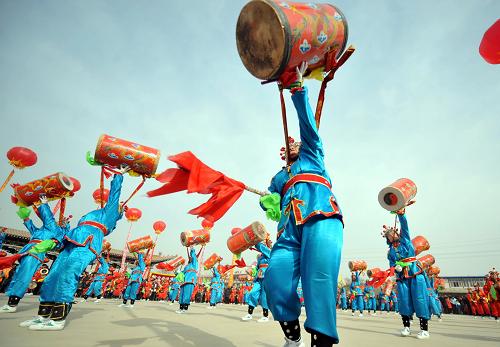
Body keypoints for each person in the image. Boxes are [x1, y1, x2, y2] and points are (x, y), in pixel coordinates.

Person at [261, 62, 343, 347]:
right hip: (287, 231)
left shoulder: (313, 154)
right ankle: (292, 336)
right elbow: (270, 203)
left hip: (320, 214)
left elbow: (307, 126)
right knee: (274, 277)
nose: (294, 144)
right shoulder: (279, 176)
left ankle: (320, 342)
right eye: (289, 145)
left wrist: (297, 90)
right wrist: (267, 200)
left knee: (319, 280)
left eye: (297, 143)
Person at [20, 167, 128, 331]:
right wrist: (43, 204)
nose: (117, 205)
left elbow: (114, 196)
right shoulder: (94, 213)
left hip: (87, 245)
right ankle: (42, 316)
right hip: (71, 242)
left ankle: (57, 319)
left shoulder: (110, 215)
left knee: (68, 276)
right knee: (52, 277)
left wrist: (118, 175)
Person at [1, 196, 66, 313]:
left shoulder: (54, 229)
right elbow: (27, 221)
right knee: (19, 274)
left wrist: (44, 204)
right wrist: (20, 204)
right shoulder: (40, 231)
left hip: (36, 250)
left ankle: (12, 304)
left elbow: (48, 218)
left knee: (24, 276)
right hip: (28, 249)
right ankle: (11, 301)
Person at [382, 206, 431, 339]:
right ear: (388, 239)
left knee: (419, 299)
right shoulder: (390, 251)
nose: (391, 235)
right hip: (402, 277)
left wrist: (401, 215)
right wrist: (394, 269)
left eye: (392, 232)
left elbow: (405, 225)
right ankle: (406, 327)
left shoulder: (405, 240)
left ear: (397, 233)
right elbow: (391, 265)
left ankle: (424, 330)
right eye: (388, 235)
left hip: (415, 273)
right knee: (404, 301)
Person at [242, 241, 271, 323]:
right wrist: (252, 273)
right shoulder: (260, 257)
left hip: (267, 278)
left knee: (264, 297)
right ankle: (249, 314)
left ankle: (265, 316)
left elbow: (261, 247)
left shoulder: (269, 252)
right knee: (252, 293)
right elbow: (257, 268)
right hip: (259, 278)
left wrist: (256, 241)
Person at [176, 247, 201, 314]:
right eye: (189, 257)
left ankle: (185, 309)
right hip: (184, 282)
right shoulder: (186, 266)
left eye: (191, 257)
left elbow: (193, 256)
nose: (190, 258)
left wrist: (192, 250)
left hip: (190, 281)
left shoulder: (194, 264)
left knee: (187, 295)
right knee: (181, 295)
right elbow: (182, 274)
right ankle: (181, 308)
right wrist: (178, 273)